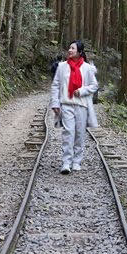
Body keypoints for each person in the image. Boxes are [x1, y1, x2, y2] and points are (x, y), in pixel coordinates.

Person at [49, 40, 98, 174]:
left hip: (81, 105)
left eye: (72, 48)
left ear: (80, 52)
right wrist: (55, 103)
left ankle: (77, 161)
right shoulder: (62, 66)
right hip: (66, 104)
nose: (69, 50)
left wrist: (82, 91)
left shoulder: (87, 68)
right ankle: (66, 162)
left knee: (79, 134)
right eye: (69, 48)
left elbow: (94, 85)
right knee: (68, 133)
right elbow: (56, 85)